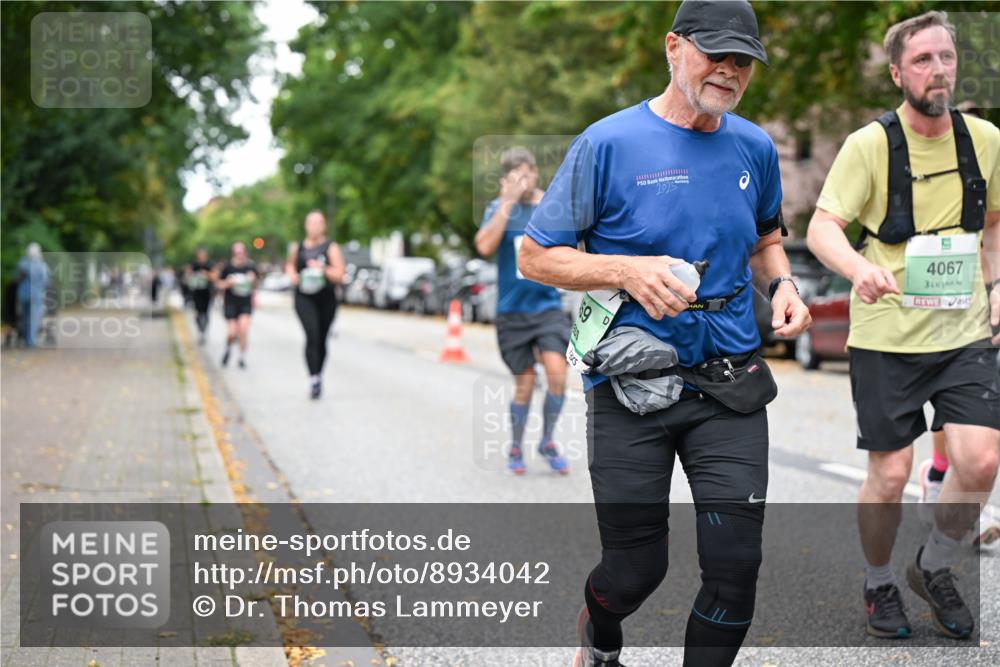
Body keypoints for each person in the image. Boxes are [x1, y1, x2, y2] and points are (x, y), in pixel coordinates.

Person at [519, 2, 810, 665]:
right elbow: (535, 256)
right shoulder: (608, 144)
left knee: (735, 568)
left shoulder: (755, 147)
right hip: (631, 387)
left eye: (743, 62)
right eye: (716, 55)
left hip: (730, 382)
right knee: (633, 570)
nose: (729, 72)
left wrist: (785, 283)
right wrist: (625, 267)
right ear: (674, 47)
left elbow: (766, 234)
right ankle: (599, 632)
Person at [806, 10, 1000, 640]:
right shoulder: (869, 145)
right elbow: (822, 228)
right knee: (889, 475)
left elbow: (994, 223)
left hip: (963, 331)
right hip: (886, 335)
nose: (938, 69)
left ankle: (935, 567)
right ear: (897, 73)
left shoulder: (987, 140)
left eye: (946, 57)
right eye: (922, 60)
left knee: (981, 459)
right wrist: (859, 268)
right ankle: (880, 579)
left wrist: (996, 288)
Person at [474, 147, 570, 476]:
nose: (525, 179)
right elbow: (485, 246)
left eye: (529, 171)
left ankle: (547, 441)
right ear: (505, 179)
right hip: (512, 312)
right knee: (525, 381)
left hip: (547, 307)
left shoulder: (549, 206)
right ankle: (516, 446)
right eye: (517, 174)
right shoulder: (497, 209)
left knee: (557, 371)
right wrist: (506, 203)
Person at [286, 211, 345, 399]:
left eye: (319, 223)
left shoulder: (331, 247)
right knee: (312, 334)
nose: (315, 226)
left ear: (324, 226)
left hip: (326, 298)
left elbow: (339, 275)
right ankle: (313, 378)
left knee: (321, 338)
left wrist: (323, 269)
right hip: (304, 297)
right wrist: (293, 276)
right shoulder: (298, 248)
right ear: (306, 225)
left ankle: (318, 373)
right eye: (311, 222)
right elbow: (289, 266)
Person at [216, 242, 258, 369]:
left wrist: (253, 280)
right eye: (237, 253)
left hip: (245, 303)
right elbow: (219, 284)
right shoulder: (227, 267)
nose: (239, 255)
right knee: (232, 333)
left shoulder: (251, 266)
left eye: (241, 253)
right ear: (233, 254)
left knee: (243, 329)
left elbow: (256, 286)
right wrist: (228, 283)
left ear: (245, 253)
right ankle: (228, 349)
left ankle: (241, 357)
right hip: (231, 303)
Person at [16, 243, 51, 348]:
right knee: (34, 318)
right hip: (36, 295)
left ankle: (27, 340)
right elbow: (46, 280)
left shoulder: (22, 264)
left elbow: (17, 278)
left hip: (23, 295)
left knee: (25, 317)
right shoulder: (42, 265)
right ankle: (31, 341)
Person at [185, 248, 214, 345]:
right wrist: (190, 274)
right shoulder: (194, 265)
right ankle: (200, 330)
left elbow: (214, 277)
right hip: (196, 292)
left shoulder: (209, 264)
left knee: (205, 313)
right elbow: (188, 277)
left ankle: (204, 331)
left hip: (207, 292)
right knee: (197, 313)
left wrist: (207, 274)